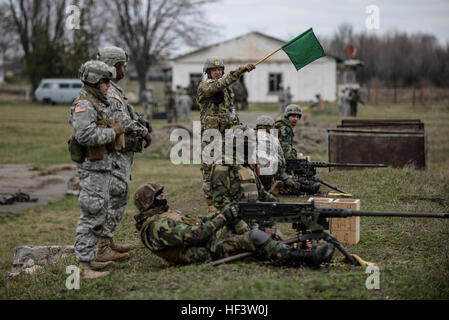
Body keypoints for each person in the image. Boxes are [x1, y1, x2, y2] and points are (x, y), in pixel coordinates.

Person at [133, 182, 335, 267]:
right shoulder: (156, 226)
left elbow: (199, 223)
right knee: (252, 238)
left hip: (205, 244)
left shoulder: (164, 216)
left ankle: (284, 250)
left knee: (249, 230)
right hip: (203, 252)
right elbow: (197, 235)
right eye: (159, 195)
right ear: (148, 202)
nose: (164, 196)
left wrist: (223, 214)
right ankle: (306, 257)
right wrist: (223, 217)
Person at [69, 60, 126, 279]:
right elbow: (84, 135)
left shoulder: (97, 101)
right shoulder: (84, 104)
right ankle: (83, 267)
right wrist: (113, 133)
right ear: (94, 80)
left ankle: (89, 259)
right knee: (91, 213)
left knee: (99, 211)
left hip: (102, 168)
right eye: (104, 81)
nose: (107, 85)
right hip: (92, 170)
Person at [96, 46, 152, 264]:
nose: (125, 69)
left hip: (121, 151)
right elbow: (121, 120)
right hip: (115, 152)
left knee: (118, 194)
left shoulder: (113, 88)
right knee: (118, 194)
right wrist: (143, 130)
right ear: (112, 67)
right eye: (122, 65)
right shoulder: (110, 90)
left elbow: (127, 113)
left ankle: (107, 241)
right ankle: (102, 246)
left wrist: (141, 122)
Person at [197, 56, 255, 210]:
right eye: (214, 70)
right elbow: (221, 83)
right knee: (209, 169)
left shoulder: (226, 89)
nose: (217, 72)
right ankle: (211, 203)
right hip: (211, 136)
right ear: (208, 72)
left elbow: (230, 112)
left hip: (227, 136)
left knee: (228, 167)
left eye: (219, 70)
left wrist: (238, 127)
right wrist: (240, 71)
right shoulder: (205, 86)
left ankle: (226, 199)